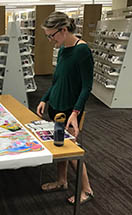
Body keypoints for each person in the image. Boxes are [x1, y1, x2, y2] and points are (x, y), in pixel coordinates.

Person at [36, 12, 94, 205]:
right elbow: (57, 81)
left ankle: (87, 189)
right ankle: (62, 181)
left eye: (51, 35)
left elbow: (87, 87)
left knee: (72, 151)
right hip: (56, 107)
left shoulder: (82, 51)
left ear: (63, 30)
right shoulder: (62, 49)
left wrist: (76, 113)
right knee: (59, 145)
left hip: (71, 110)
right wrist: (45, 99)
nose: (50, 40)